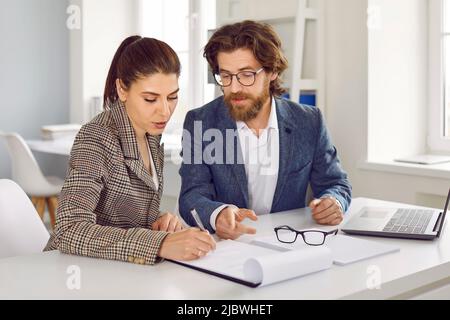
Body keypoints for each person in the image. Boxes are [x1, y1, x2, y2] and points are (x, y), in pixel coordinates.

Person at [45, 36, 216, 264]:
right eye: (150, 99)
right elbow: (69, 229)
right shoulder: (97, 137)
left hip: (118, 270)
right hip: (73, 269)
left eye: (172, 97)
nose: (165, 111)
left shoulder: (150, 134)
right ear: (122, 89)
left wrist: (157, 221)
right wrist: (160, 243)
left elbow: (118, 213)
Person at [179, 20, 352, 240]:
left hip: (289, 247)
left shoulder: (309, 122)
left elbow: (335, 183)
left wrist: (334, 202)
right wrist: (217, 214)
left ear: (272, 72)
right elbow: (191, 196)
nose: (234, 88)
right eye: (226, 76)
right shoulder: (200, 122)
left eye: (247, 74)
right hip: (226, 249)